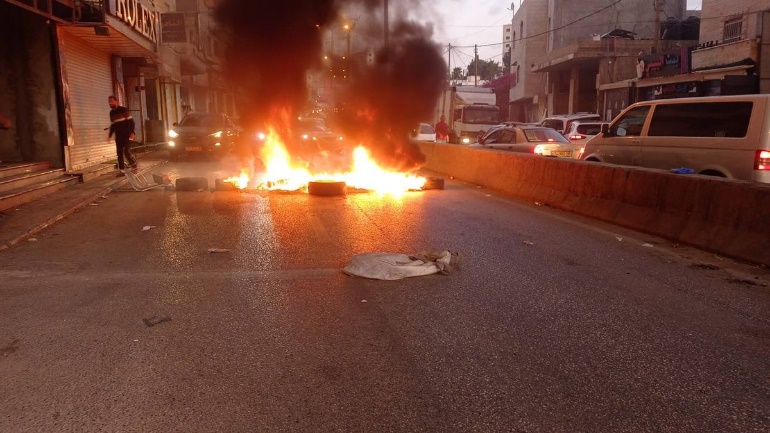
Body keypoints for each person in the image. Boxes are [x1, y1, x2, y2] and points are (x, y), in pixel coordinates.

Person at [108, 95, 137, 173]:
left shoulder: (123, 110)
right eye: (109, 102)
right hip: (118, 136)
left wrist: (132, 132)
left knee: (126, 152)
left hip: (127, 134)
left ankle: (134, 165)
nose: (110, 103)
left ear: (116, 101)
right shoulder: (111, 113)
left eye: (111, 101)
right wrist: (110, 136)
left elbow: (131, 121)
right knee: (119, 154)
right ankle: (122, 171)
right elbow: (113, 125)